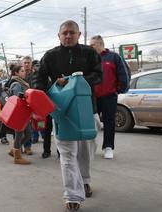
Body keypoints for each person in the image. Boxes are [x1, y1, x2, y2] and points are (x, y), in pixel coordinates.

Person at [32, 20, 103, 211]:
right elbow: (39, 79)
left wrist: (73, 81)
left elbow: (98, 75)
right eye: (65, 33)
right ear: (59, 35)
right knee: (67, 154)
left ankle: (85, 180)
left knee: (86, 151)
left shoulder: (89, 53)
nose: (68, 36)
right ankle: (72, 195)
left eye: (72, 32)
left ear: (79, 35)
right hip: (62, 112)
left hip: (88, 109)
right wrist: (41, 96)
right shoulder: (50, 55)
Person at [90, 35, 130, 159]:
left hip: (109, 96)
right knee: (92, 123)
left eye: (93, 45)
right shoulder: (89, 58)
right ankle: (91, 147)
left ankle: (108, 147)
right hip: (92, 98)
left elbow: (124, 74)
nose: (90, 47)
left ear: (100, 44)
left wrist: (118, 90)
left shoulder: (114, 57)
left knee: (109, 123)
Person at [7, 65, 32, 165]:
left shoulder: (22, 82)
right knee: (19, 135)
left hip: (24, 113)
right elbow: (18, 99)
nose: (24, 72)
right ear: (16, 73)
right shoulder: (17, 84)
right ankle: (17, 157)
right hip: (19, 113)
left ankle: (14, 150)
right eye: (21, 71)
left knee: (28, 134)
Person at [21, 56, 34, 155]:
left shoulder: (35, 75)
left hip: (32, 103)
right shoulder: (19, 75)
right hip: (20, 104)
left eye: (28, 62)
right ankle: (18, 146)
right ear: (22, 64)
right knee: (19, 127)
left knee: (29, 127)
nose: (26, 64)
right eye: (25, 62)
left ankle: (28, 147)